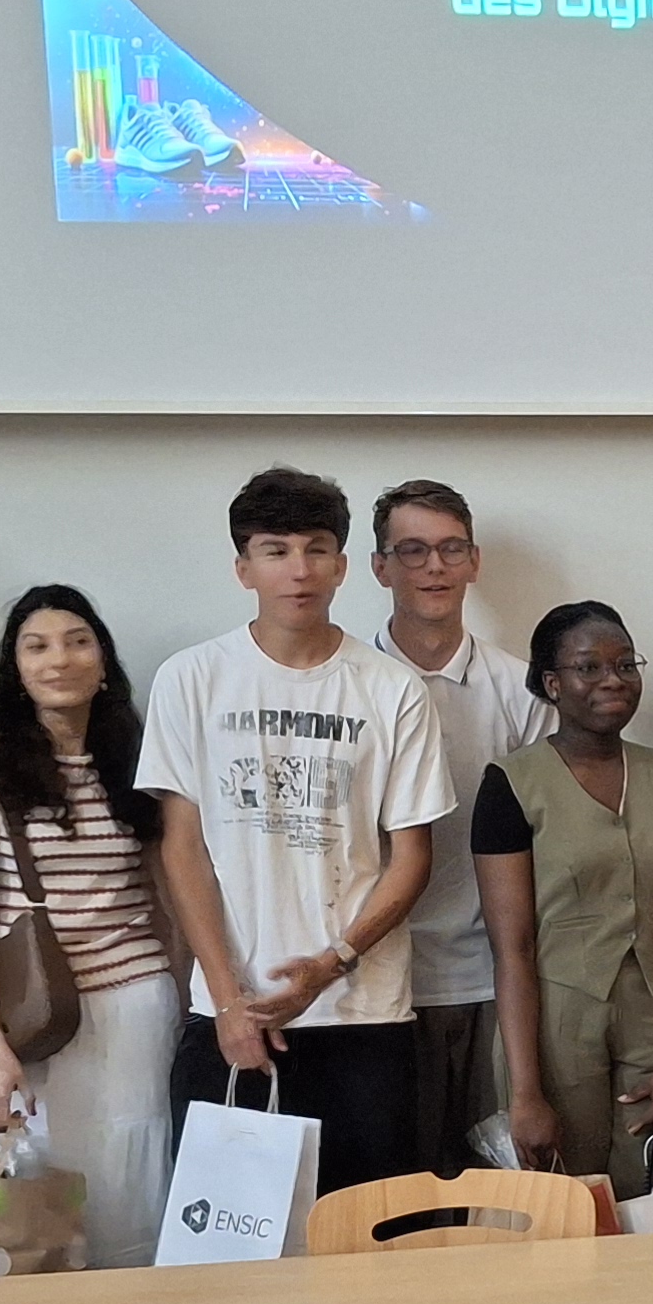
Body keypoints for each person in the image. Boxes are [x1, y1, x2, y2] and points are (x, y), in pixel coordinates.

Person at [141, 467, 453, 1194]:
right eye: (275, 550)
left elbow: (412, 855)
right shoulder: (190, 679)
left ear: (344, 566)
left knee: (368, 1245)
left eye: (316, 549)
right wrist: (226, 1001)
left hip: (365, 1015)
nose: (299, 570)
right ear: (243, 567)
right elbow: (181, 848)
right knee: (230, 1255)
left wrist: (331, 962)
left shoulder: (391, 688)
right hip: (231, 1015)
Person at [0, 585, 180, 1262]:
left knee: (129, 1185)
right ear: (14, 668)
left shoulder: (138, 757)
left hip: (134, 1007)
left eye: (77, 642)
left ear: (103, 661)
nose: (58, 660)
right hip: (27, 1015)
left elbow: (168, 897)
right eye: (36, 645)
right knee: (27, 1201)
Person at [478, 603, 653, 1181]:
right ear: (553, 684)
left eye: (625, 664)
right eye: (590, 667)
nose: (613, 679)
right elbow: (513, 949)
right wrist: (525, 1093)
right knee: (563, 1208)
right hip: (556, 1028)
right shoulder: (511, 784)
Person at [367, 480, 552, 1171]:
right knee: (394, 1192)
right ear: (380, 567)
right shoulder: (347, 686)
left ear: (474, 561)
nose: (434, 568)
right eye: (412, 552)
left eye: (450, 550)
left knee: (497, 1194)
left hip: (492, 981)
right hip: (380, 984)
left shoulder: (522, 691)